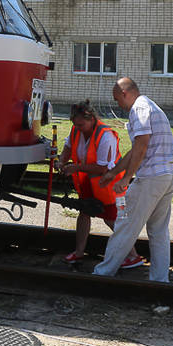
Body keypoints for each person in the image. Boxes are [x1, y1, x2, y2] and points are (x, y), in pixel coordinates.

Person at [93, 77, 173, 282]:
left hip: (150, 177)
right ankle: (159, 279)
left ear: (124, 93)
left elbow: (141, 145)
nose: (117, 105)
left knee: (125, 225)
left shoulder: (138, 109)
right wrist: (114, 173)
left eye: (117, 99)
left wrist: (126, 179)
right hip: (168, 175)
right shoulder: (151, 106)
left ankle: (103, 274)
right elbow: (135, 150)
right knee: (158, 231)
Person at [58, 100, 141, 268]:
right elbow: (68, 147)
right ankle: (79, 252)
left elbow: (102, 168)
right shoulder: (76, 129)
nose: (78, 128)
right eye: (75, 124)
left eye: (81, 124)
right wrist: (61, 161)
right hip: (90, 182)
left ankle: (134, 256)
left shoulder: (105, 135)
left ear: (91, 119)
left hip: (112, 185)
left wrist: (75, 167)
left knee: (114, 220)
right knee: (84, 213)